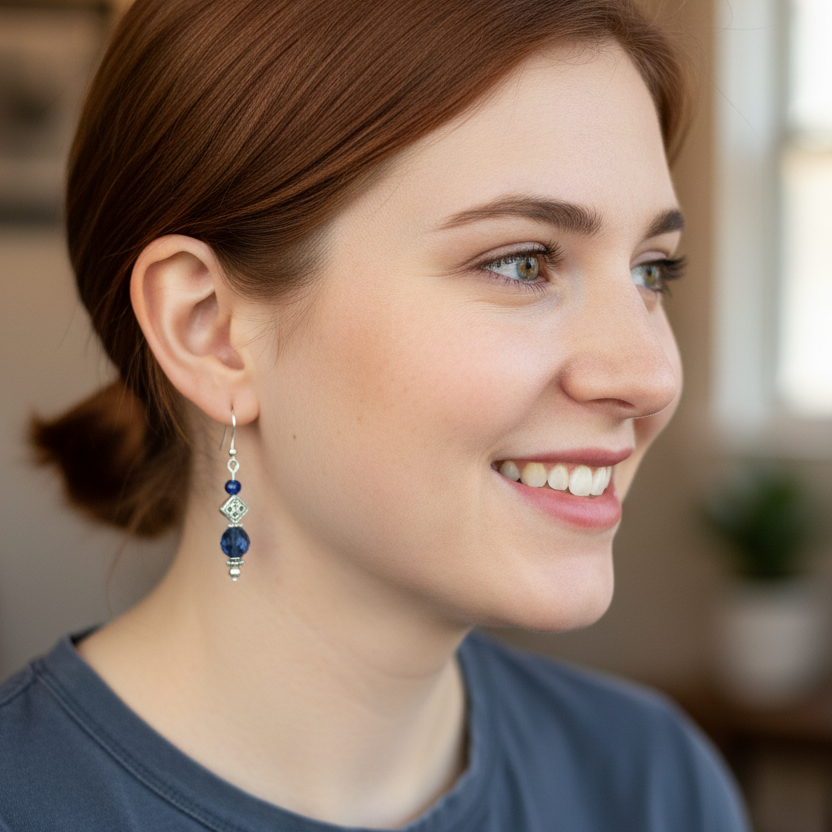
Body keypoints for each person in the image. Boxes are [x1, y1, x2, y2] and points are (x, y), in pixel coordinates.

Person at [0, 0, 749, 829]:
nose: (649, 374)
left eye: (652, 273)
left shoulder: (653, 785)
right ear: (209, 329)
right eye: (521, 262)